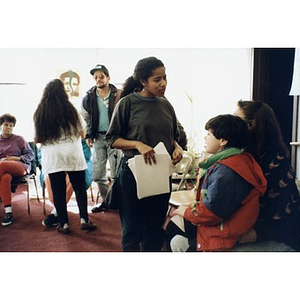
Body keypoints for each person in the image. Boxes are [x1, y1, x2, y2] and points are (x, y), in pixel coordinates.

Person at [106, 56, 183, 251]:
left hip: (160, 174)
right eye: (157, 79)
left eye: (165, 78)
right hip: (134, 174)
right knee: (132, 230)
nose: (163, 83)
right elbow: (112, 139)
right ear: (143, 81)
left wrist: (177, 148)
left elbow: (174, 136)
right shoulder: (127, 103)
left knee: (155, 228)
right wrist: (137, 144)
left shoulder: (166, 105)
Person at [166, 114, 267, 252]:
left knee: (173, 227)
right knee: (174, 225)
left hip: (223, 233)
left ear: (223, 141)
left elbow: (211, 212)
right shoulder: (239, 160)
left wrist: (187, 212)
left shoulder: (226, 171)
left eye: (208, 134)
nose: (205, 138)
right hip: (227, 224)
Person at [235, 100, 300, 250]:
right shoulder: (257, 155)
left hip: (279, 236)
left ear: (251, 125)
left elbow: (280, 220)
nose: (231, 125)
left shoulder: (271, 162)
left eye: (236, 120)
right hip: (263, 228)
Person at [34, 79, 96, 234]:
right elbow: (82, 134)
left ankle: (64, 224)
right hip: (73, 155)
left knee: (59, 191)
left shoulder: (40, 113)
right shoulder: (72, 111)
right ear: (63, 92)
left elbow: (37, 139)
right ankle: (84, 220)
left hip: (54, 157)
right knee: (80, 189)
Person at [81, 64, 122, 213]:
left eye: (101, 76)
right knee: (98, 174)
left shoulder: (118, 94)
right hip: (98, 138)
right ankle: (108, 201)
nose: (98, 79)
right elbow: (87, 118)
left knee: (117, 174)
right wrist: (88, 135)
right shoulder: (89, 97)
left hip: (115, 138)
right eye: (96, 77)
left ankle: (118, 202)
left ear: (108, 77)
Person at [40, 139, 93, 227]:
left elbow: (87, 155)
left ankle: (62, 221)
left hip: (61, 161)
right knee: (48, 178)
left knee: (70, 182)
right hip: (64, 160)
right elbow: (40, 155)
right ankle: (84, 220)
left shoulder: (45, 128)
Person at [0, 113, 34, 226]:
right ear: (1, 126)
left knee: (2, 165)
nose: (8, 127)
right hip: (4, 171)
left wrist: (17, 158)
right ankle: (8, 211)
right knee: (5, 178)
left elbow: (31, 154)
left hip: (20, 165)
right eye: (6, 125)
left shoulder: (19, 139)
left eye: (11, 125)